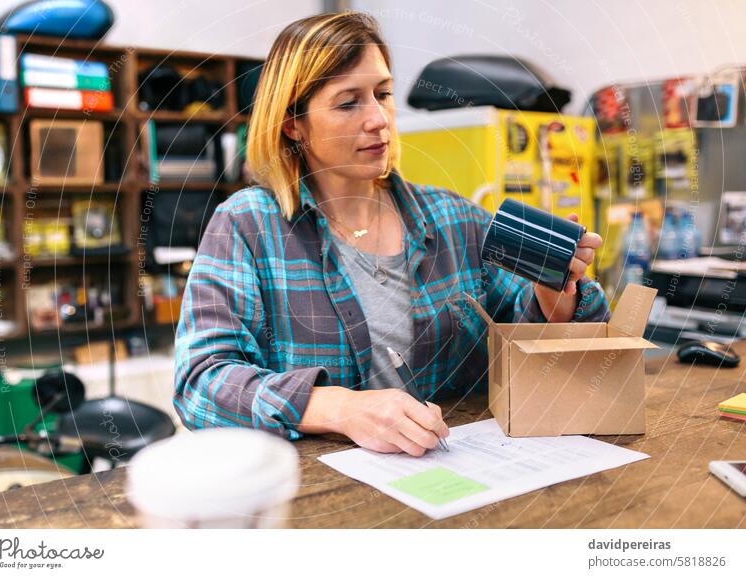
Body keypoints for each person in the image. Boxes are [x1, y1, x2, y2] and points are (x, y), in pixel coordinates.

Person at [173, 12, 609, 457]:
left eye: (382, 94)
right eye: (348, 102)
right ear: (293, 123)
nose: (379, 119)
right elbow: (199, 382)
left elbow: (543, 338)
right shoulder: (246, 226)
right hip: (328, 500)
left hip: (461, 476)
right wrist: (340, 408)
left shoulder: (452, 217)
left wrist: (557, 288)